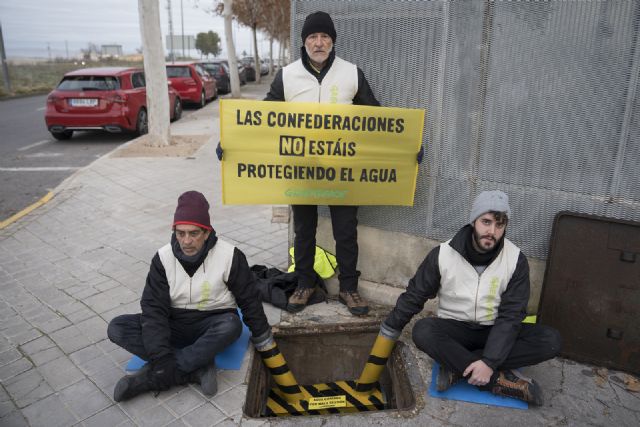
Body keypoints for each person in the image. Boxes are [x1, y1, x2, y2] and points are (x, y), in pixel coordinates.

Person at [380, 190, 561, 405]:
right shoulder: (443, 254)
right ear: (473, 220)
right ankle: (496, 381)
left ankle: (459, 367)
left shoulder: (515, 260)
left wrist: (489, 360)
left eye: (499, 225)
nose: (492, 231)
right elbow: (415, 295)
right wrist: (389, 329)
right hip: (456, 329)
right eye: (486, 222)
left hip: (494, 330)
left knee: (550, 340)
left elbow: (511, 315)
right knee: (423, 331)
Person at [263, 11, 381, 316]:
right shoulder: (287, 76)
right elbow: (259, 119)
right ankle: (304, 284)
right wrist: (232, 144)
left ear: (332, 41)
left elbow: (378, 119)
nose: (319, 42)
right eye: (313, 37)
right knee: (304, 229)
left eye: (325, 37)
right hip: (301, 169)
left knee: (346, 230)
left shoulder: (352, 73)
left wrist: (406, 149)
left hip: (342, 171)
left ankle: (349, 289)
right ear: (304, 42)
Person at [107, 191, 272, 401]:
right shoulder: (162, 258)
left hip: (212, 323)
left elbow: (249, 300)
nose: (186, 241)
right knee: (117, 327)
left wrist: (263, 338)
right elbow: (154, 310)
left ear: (206, 232)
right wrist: (160, 358)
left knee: (232, 325)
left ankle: (150, 378)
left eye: (193, 233)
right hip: (174, 324)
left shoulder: (230, 255)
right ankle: (195, 367)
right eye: (180, 233)